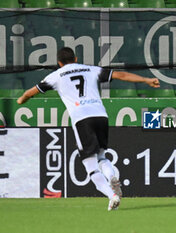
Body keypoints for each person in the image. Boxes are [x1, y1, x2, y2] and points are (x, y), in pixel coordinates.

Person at [17, 47, 160, 210]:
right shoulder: (91, 69)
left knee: (90, 166)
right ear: (76, 59)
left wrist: (22, 99)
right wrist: (146, 80)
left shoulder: (55, 76)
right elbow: (122, 75)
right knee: (101, 157)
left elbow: (31, 92)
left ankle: (112, 195)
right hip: (100, 115)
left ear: (59, 63)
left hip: (81, 118)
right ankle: (112, 176)